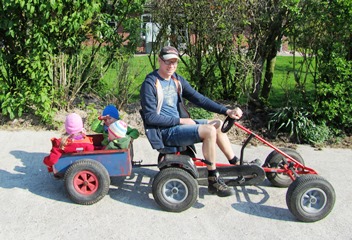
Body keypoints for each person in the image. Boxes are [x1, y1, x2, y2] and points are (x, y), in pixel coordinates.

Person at [140, 46, 256, 197]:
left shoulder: (177, 80)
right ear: (159, 60)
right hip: (165, 132)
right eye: (168, 62)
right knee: (209, 131)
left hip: (178, 126)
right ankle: (213, 179)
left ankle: (237, 165)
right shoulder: (150, 83)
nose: (171, 66)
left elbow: (199, 99)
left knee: (218, 124)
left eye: (174, 62)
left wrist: (226, 111)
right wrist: (180, 120)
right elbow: (150, 117)